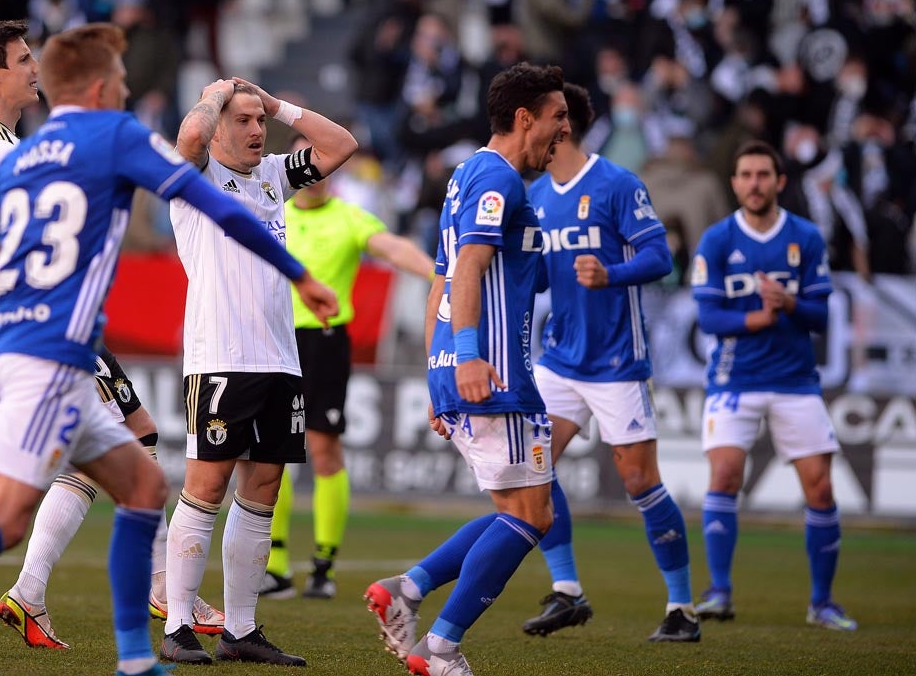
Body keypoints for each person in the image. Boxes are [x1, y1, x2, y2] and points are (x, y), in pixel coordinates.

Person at [0, 22, 338, 676]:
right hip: (46, 354)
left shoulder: (28, 153)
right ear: (97, 87)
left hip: (48, 345)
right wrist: (300, 275)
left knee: (144, 484)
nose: (126, 87)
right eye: (119, 77)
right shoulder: (107, 136)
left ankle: (135, 656)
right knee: (1, 519)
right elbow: (223, 209)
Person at [0, 20, 223, 649]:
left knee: (130, 442)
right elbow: (6, 240)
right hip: (45, 326)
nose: (32, 69)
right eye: (21, 59)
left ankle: (41, 593)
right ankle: (130, 591)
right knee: (16, 504)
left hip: (34, 323)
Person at [365, 62, 568, 676]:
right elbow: (472, 266)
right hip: (496, 373)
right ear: (524, 117)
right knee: (533, 515)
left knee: (520, 510)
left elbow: (441, 280)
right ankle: (442, 646)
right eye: (558, 118)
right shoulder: (497, 177)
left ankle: (409, 588)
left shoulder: (466, 175)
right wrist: (472, 356)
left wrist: (439, 372)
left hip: (469, 370)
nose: (564, 131)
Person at [160, 78, 358, 666]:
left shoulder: (273, 175)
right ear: (218, 124)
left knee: (264, 488)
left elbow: (340, 145)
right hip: (220, 358)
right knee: (207, 486)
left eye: (259, 122)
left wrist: (280, 105)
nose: (256, 131)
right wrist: (214, 96)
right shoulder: (192, 180)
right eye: (243, 121)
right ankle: (176, 625)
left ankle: (241, 631)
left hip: (280, 359)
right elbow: (191, 134)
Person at [523, 83, 699, 642]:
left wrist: (611, 273)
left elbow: (659, 256)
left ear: (564, 124)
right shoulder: (538, 196)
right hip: (559, 358)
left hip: (617, 359)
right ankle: (567, 591)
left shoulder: (617, 184)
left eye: (541, 121)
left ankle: (682, 609)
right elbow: (549, 274)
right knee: (534, 467)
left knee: (639, 481)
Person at [691, 140, 856, 632]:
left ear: (779, 182)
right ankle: (719, 591)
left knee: (821, 487)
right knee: (723, 478)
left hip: (794, 380)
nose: (754, 183)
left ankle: (822, 602)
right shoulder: (717, 241)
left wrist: (790, 304)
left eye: (764, 174)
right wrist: (762, 315)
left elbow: (822, 316)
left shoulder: (804, 238)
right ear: (735, 182)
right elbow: (707, 317)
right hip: (733, 378)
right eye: (745, 175)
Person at [262, 135, 434, 600]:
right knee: (270, 454)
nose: (312, 167)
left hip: (325, 345)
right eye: (302, 157)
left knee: (322, 452)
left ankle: (323, 565)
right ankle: (274, 566)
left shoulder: (349, 217)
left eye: (318, 158)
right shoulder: (273, 212)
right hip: (276, 340)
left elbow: (393, 249)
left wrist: (442, 277)